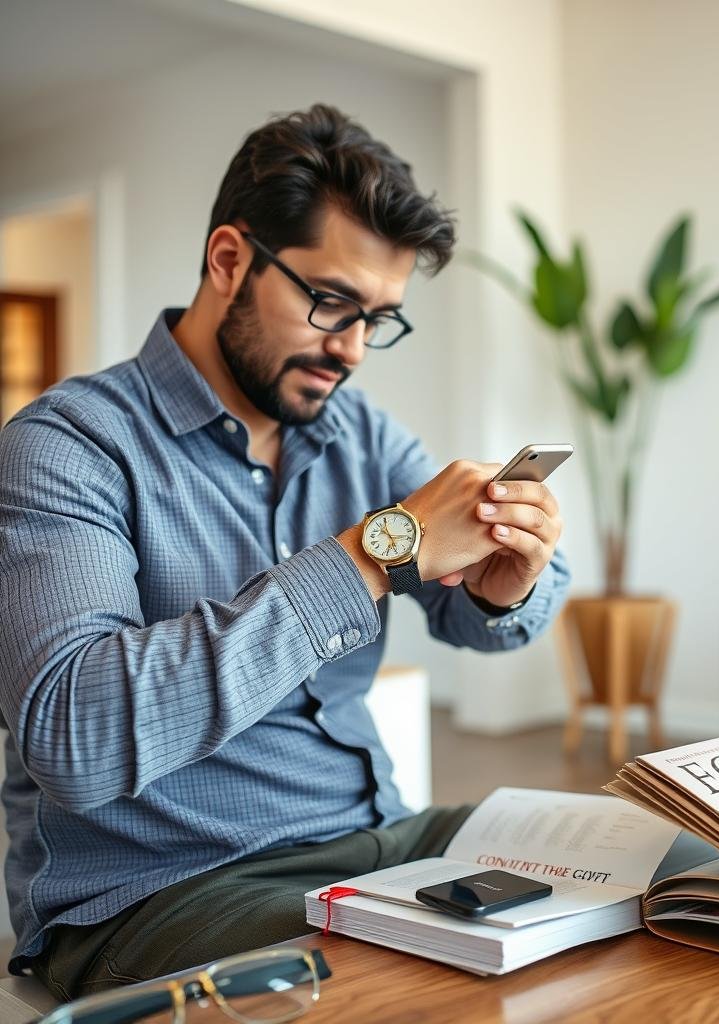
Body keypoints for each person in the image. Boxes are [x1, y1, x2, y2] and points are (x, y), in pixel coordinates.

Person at [0, 103, 569, 1000]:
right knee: (437, 988)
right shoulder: (70, 444)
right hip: (169, 890)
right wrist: (373, 556)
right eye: (331, 301)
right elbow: (77, 737)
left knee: (679, 872)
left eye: (378, 318)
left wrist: (507, 581)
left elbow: (480, 626)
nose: (352, 349)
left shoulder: (359, 433)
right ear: (230, 260)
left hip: (382, 840)